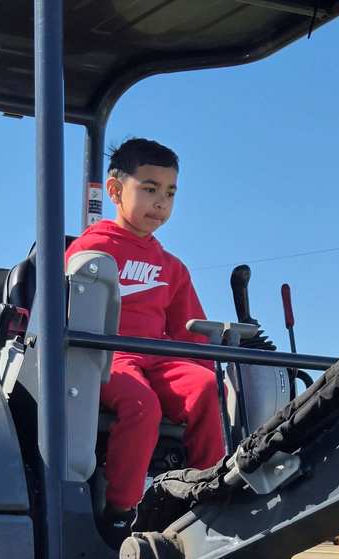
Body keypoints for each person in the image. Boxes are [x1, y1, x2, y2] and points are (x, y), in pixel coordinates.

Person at [65, 138, 224, 538]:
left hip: (157, 357)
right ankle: (120, 509)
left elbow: (192, 333)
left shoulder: (171, 266)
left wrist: (206, 367)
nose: (161, 203)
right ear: (116, 191)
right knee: (142, 404)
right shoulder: (91, 250)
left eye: (170, 193)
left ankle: (211, 496)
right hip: (106, 357)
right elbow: (65, 314)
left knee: (205, 385)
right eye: (149, 189)